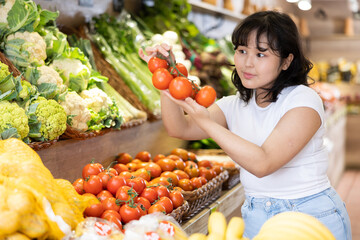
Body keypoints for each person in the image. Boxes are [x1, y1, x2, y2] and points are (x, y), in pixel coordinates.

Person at [139, 11, 351, 239]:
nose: (247, 63)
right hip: (257, 217)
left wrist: (206, 122)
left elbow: (263, 163)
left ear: (286, 61)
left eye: (261, 54)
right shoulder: (234, 104)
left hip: (309, 216)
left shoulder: (303, 100)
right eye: (242, 51)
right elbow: (179, 128)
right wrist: (166, 76)